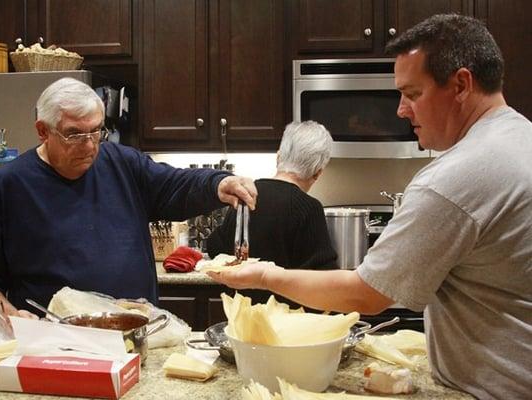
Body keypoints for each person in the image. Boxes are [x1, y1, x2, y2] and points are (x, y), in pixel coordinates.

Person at [208, 14, 532, 400]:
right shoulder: (520, 138)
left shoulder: (456, 177)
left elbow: (367, 294)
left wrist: (264, 276)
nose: (400, 110)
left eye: (412, 94)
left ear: (461, 84)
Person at [0, 77, 257, 319]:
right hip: (52, 343)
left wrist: (218, 184)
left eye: (96, 131)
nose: (89, 146)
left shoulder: (122, 163)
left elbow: (173, 185)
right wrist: (2, 311)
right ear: (42, 131)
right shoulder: (10, 184)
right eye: (74, 134)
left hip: (134, 333)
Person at [206, 121, 337, 269]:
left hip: (238, 293)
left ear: (278, 157)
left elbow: (214, 247)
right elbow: (323, 271)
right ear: (318, 173)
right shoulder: (309, 208)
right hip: (284, 293)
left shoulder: (246, 195)